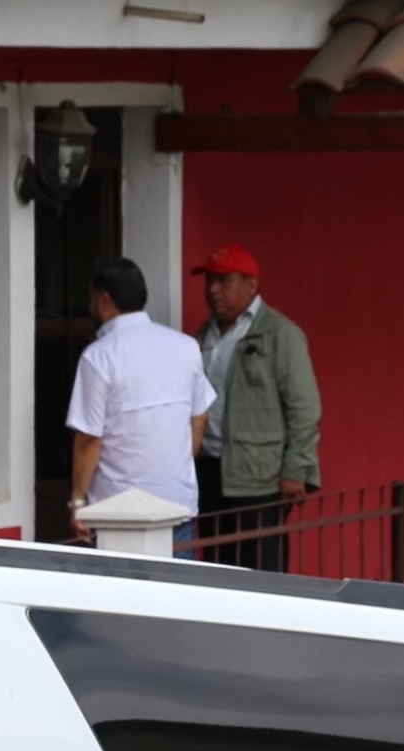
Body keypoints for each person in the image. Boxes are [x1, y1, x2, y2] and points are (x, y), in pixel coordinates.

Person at [66, 258, 215, 557]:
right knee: (174, 596)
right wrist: (182, 458)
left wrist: (78, 502)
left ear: (104, 299)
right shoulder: (185, 346)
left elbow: (88, 440)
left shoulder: (99, 357)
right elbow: (199, 413)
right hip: (177, 502)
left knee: (123, 600)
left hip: (118, 511)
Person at [192, 243, 321, 572]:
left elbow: (303, 407)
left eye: (223, 280)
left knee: (260, 568)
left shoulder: (280, 334)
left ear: (251, 285)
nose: (213, 290)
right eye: (209, 281)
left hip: (260, 475)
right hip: (209, 468)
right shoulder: (204, 335)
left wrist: (296, 469)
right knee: (218, 566)